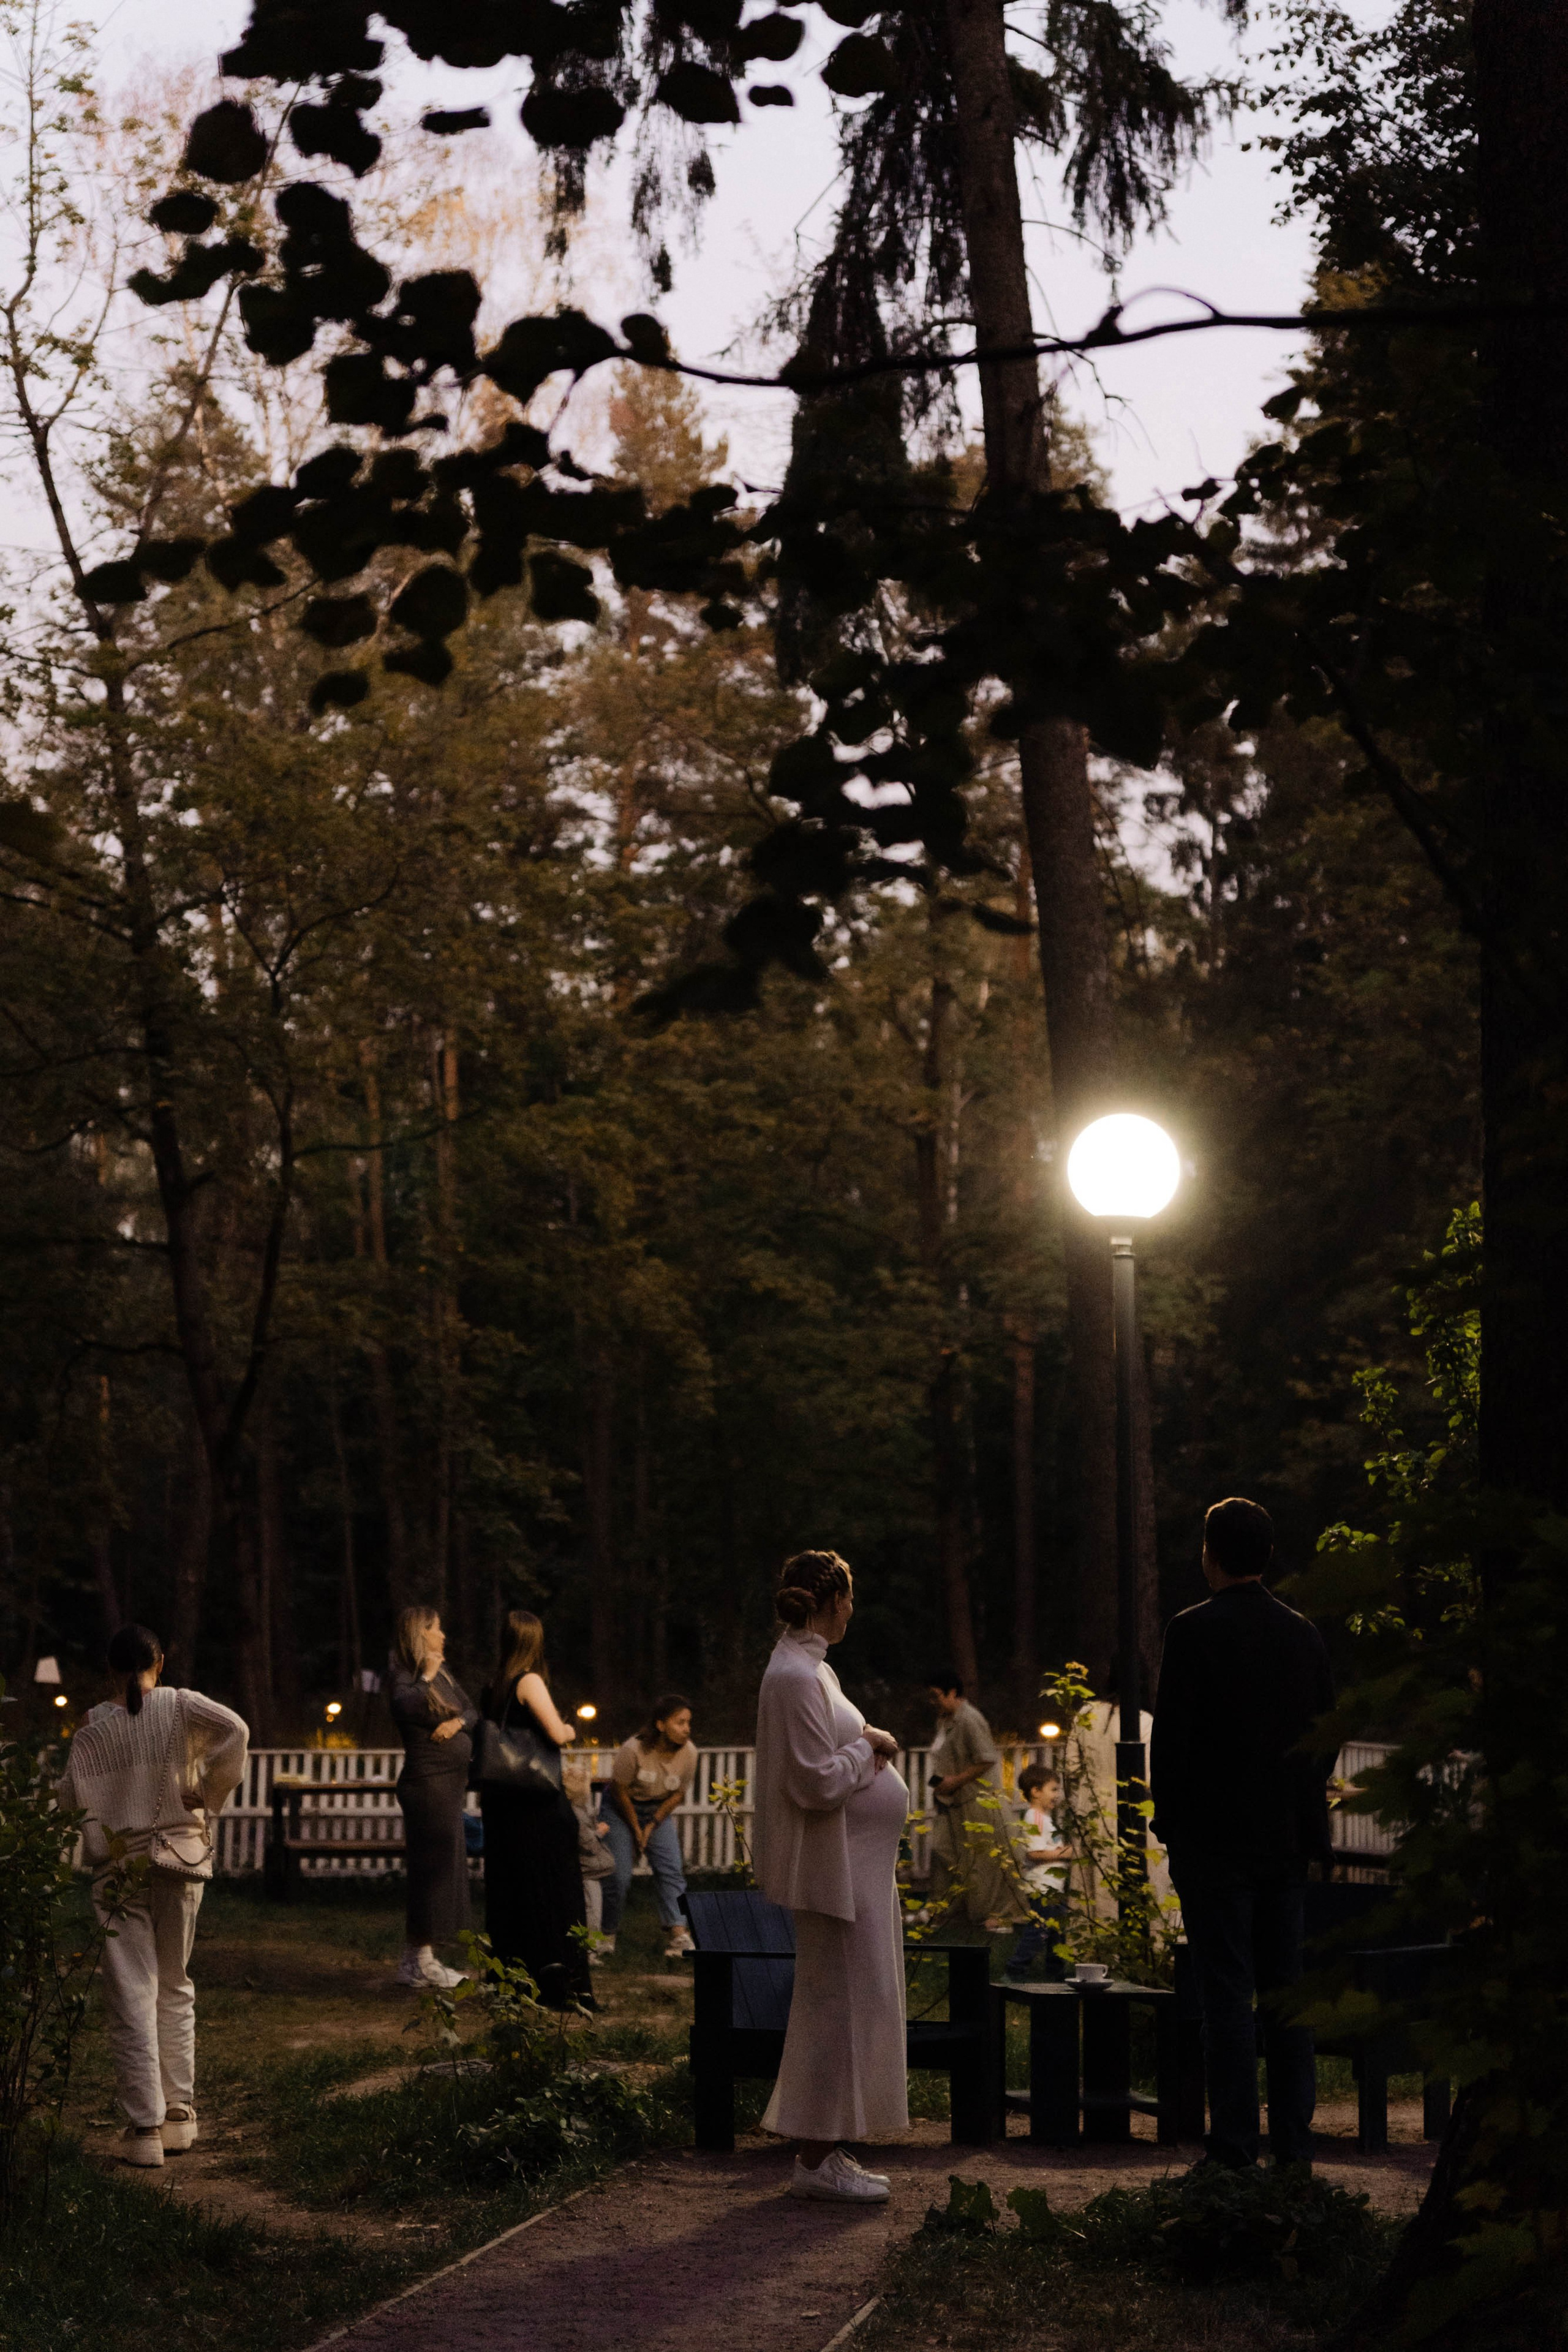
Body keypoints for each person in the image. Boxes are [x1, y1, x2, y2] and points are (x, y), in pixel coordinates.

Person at [1151, 1494, 1336, 2171]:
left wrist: (1171, 1826)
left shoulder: (1193, 1631)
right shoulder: (1303, 1634)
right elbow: (1325, 1738)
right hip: (1284, 1843)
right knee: (1286, 1996)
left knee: (1226, 1995)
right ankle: (1295, 2150)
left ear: (1210, 1554)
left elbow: (1171, 1741)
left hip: (1213, 1843)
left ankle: (1231, 2148)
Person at [55, 1624, 247, 2168]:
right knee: (175, 1983)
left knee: (131, 1992)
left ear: (110, 1670)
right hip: (179, 1860)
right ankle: (180, 2114)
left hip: (120, 1869)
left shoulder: (91, 1728)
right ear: (159, 1663)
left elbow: (72, 1799)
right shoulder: (183, 1707)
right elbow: (237, 1730)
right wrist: (206, 1794)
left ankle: (144, 2127)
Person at [752, 1548, 907, 2205]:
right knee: (836, 2006)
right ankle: (815, 2158)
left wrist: (867, 1735)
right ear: (829, 1600)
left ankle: (827, 2147)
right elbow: (814, 1779)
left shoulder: (814, 1668)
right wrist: (870, 1750)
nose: (853, 1608)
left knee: (852, 2002)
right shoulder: (792, 1675)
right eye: (848, 1597)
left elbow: (834, 1739)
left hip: (861, 1867)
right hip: (836, 1869)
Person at [478, 1609, 592, 2009]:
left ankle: (511, 1979)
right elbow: (556, 1733)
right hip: (536, 1805)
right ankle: (559, 1983)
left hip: (502, 1805)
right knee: (552, 1889)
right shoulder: (529, 1681)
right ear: (534, 1642)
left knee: (513, 1891)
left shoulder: (495, 1685)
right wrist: (570, 1729)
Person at [388, 1605, 479, 1990]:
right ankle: (422, 1961)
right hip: (427, 1785)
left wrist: (457, 1722)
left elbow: (474, 1711)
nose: (444, 1636)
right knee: (433, 1872)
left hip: (447, 1787)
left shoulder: (443, 1673)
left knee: (441, 1869)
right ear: (420, 1633)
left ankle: (416, 1960)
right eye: (437, 1629)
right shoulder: (407, 1675)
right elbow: (404, 1705)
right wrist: (426, 1675)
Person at [926, 1672, 1028, 1934]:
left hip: (977, 1799)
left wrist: (955, 1781)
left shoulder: (970, 1720)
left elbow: (986, 1759)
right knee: (944, 1851)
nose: (933, 1701)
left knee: (984, 1858)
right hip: (953, 1801)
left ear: (952, 1693)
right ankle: (946, 1911)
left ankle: (1004, 1914)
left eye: (937, 1696)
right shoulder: (944, 1721)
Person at [603, 1694, 696, 1964]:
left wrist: (653, 1823)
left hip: (658, 1811)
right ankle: (605, 1937)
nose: (686, 1729)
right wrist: (635, 1828)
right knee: (618, 1875)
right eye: (680, 1723)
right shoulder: (633, 1750)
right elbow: (619, 1791)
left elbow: (679, 1794)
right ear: (660, 1724)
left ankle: (678, 1934)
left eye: (688, 1723)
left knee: (671, 1870)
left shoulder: (690, 1753)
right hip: (621, 1810)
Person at [1005, 1763, 1072, 1983]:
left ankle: (1055, 1971)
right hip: (1042, 1886)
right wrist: (1064, 1854)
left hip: (1053, 1887)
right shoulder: (1034, 1818)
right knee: (1040, 1929)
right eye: (1053, 1789)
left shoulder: (1045, 1820)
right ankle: (1016, 1967)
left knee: (1056, 1932)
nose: (1057, 1795)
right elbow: (1034, 1853)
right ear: (1035, 1791)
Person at [563, 1757, 616, 1959]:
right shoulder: (575, 1813)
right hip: (587, 1870)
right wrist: (599, 1833)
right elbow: (587, 1843)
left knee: (593, 1907)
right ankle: (589, 1952)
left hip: (589, 1870)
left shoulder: (582, 1809)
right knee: (592, 1910)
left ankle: (592, 1945)